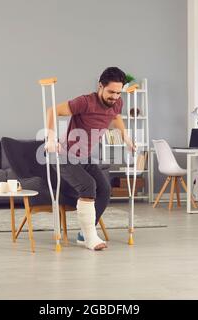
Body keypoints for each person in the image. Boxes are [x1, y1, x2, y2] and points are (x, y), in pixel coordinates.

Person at [45, 67, 136, 251]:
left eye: (118, 93)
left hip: (83, 156)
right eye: (111, 92)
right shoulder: (85, 102)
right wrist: (51, 138)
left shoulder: (116, 103)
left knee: (104, 189)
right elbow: (52, 110)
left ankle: (83, 233)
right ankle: (90, 238)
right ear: (100, 86)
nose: (114, 97)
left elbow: (116, 117)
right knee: (88, 185)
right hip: (64, 156)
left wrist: (125, 137)